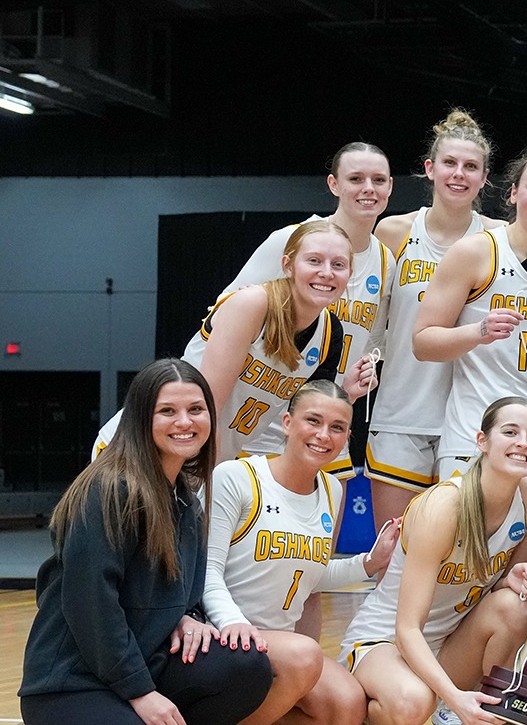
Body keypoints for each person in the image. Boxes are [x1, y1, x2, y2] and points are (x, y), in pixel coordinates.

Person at [13, 360, 273, 725]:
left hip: (136, 664)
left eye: (196, 409)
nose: (184, 422)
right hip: (72, 683)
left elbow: (179, 585)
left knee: (248, 665)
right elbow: (92, 606)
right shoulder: (110, 490)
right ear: (140, 419)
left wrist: (190, 615)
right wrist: (142, 695)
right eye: (167, 411)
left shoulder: (186, 499)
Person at [191, 381, 399, 725]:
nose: (324, 435)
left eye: (338, 427)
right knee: (305, 654)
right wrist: (235, 625)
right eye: (313, 421)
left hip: (274, 649)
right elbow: (204, 572)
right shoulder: (237, 476)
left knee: (345, 709)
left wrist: (368, 563)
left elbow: (310, 575)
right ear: (287, 423)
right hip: (217, 638)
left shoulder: (332, 490)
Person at [339, 396, 527, 725]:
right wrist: (455, 700)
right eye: (510, 432)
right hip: (386, 642)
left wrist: (513, 579)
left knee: (515, 606)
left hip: (450, 641)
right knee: (411, 704)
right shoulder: (443, 506)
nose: (523, 442)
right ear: (482, 441)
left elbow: (503, 585)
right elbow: (407, 629)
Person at [92, 220, 378, 463]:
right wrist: (204, 481)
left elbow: (308, 419)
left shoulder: (330, 334)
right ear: (288, 266)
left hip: (206, 459)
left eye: (338, 264)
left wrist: (348, 394)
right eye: (314, 260)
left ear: (349, 275)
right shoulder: (253, 304)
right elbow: (204, 407)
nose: (326, 272)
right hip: (145, 450)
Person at [415, 147, 527, 496]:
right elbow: (423, 342)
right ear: (513, 193)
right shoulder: (473, 251)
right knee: (465, 547)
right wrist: (478, 331)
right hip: (475, 432)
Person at [369, 109, 504, 525]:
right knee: (391, 554)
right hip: (402, 409)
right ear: (430, 169)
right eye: (449, 163)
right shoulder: (393, 233)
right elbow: (373, 321)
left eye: (471, 167)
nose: (459, 174)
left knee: (462, 558)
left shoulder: (499, 238)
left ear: (484, 178)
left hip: (471, 415)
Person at [221, 142, 396, 379]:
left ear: (390, 186)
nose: (369, 188)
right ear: (334, 184)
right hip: (265, 401)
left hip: (327, 407)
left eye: (378, 180)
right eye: (355, 179)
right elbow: (222, 312)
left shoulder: (385, 260)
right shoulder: (290, 239)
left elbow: (371, 344)